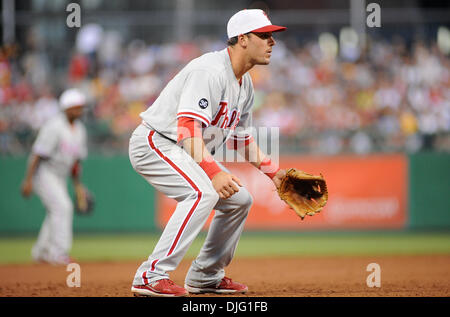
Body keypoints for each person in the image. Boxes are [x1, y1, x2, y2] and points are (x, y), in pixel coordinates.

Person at [128, 9, 287, 297]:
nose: (271, 42)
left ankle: (205, 276)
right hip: (156, 142)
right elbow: (187, 127)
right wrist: (213, 173)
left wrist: (275, 174)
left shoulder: (245, 83)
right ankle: (150, 276)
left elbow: (241, 138)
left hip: (182, 149)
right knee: (203, 192)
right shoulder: (210, 70)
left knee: (240, 200)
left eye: (272, 36)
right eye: (264, 36)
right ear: (242, 39)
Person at [21, 88, 88, 265]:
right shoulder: (54, 126)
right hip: (44, 172)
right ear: (66, 108)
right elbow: (37, 154)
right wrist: (28, 180)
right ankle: (58, 253)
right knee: (63, 207)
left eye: (81, 107)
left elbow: (75, 164)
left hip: (61, 175)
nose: (79, 110)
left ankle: (41, 252)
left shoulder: (80, 130)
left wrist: (78, 187)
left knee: (56, 211)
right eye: (75, 107)